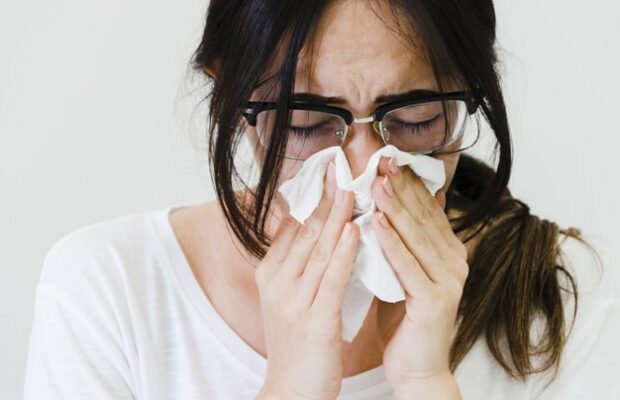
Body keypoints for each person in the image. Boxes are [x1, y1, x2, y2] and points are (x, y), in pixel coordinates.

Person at [23, 0, 619, 399]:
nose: (361, 169)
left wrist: (426, 380)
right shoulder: (109, 291)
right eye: (308, 123)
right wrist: (290, 386)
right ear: (231, 104)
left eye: (414, 118)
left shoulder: (559, 293)